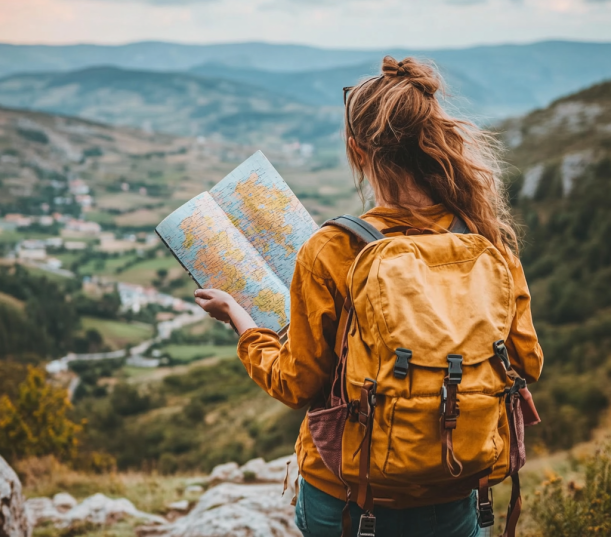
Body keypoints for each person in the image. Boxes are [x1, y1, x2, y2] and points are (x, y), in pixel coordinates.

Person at [194, 56, 543, 537]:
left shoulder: (333, 248)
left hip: (350, 498)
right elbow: (528, 360)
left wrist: (241, 321)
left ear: (358, 150)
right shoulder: (487, 240)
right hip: (457, 483)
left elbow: (296, 384)